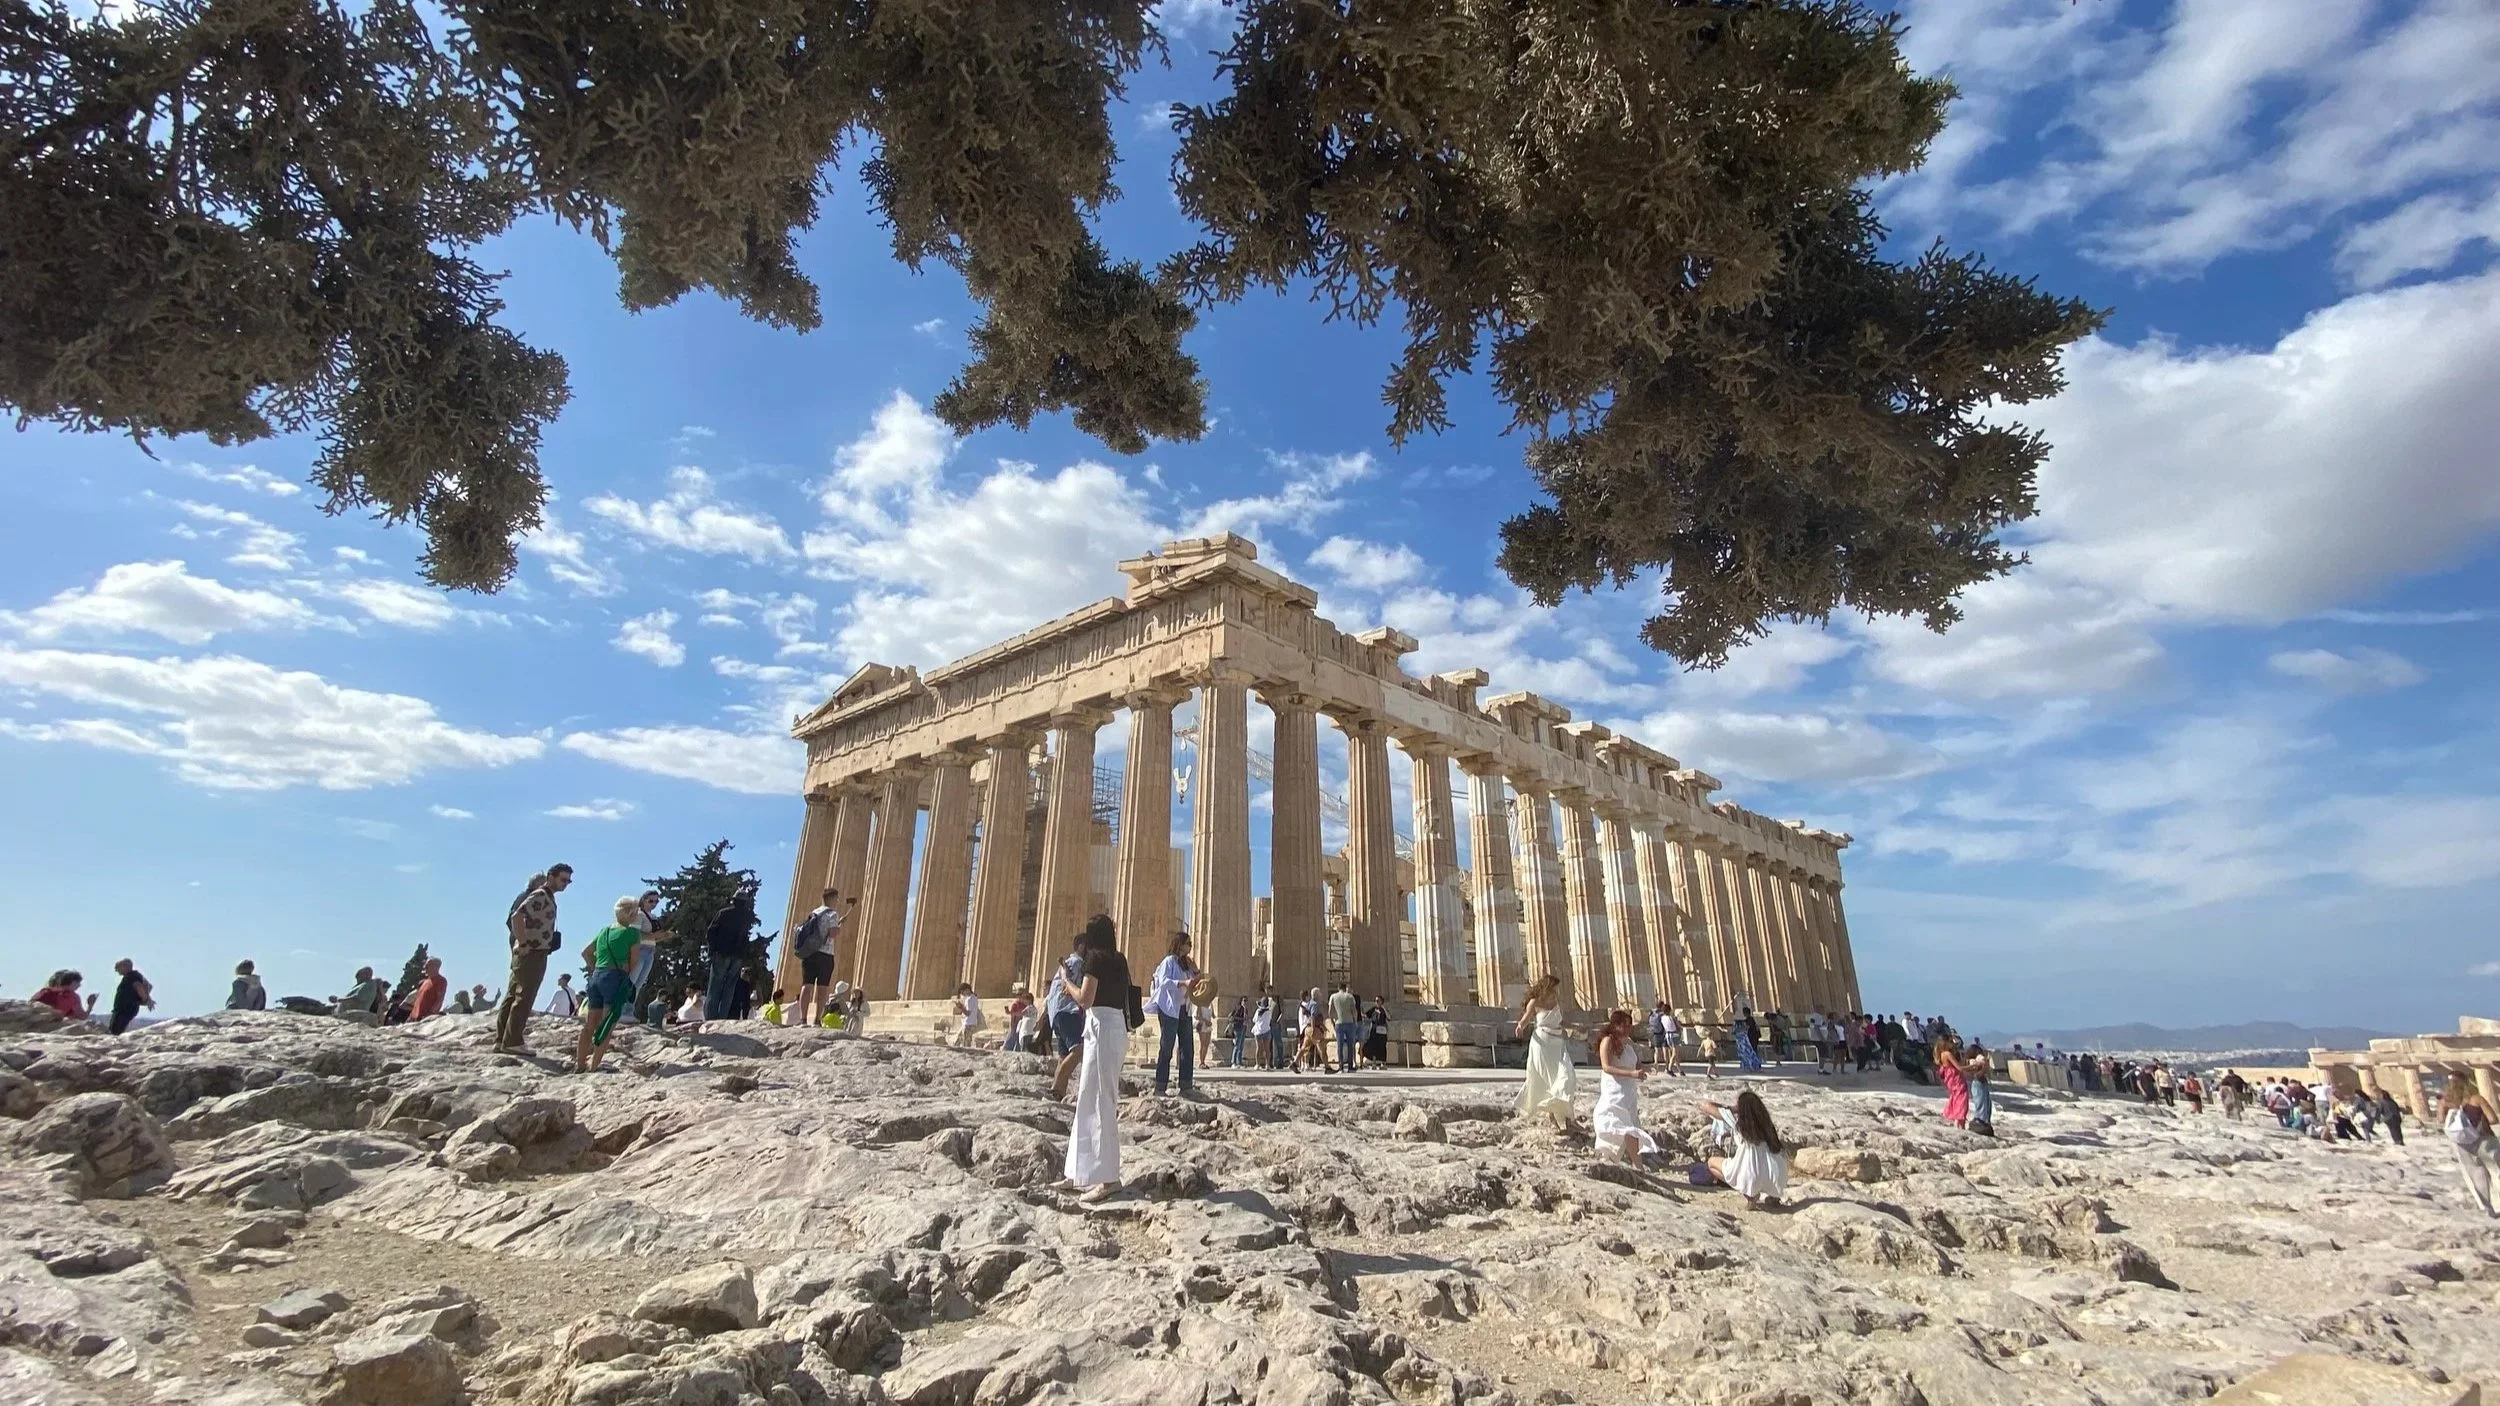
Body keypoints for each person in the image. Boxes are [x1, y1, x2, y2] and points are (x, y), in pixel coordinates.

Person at [1061, 919, 1132, 1203]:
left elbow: (1086, 998)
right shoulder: (1119, 959)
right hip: (1112, 1029)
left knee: (1101, 1103)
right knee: (1088, 1099)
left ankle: (1110, 1179)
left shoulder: (1095, 958)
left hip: (1101, 1029)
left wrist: (1067, 983)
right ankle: (1077, 1172)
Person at [496, 863, 571, 1054]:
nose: (566, 884)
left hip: (533, 951)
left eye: (568, 881)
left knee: (514, 993)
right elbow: (516, 916)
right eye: (563, 879)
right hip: (532, 952)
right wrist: (523, 943)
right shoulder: (540, 895)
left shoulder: (546, 896)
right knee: (525, 996)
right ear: (551, 876)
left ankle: (502, 1039)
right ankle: (513, 1041)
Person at [577, 897, 652, 1072]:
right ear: (633, 914)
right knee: (607, 1023)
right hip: (615, 977)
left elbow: (586, 952)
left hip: (597, 976)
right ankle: (594, 1066)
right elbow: (634, 961)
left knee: (590, 1024)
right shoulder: (632, 933)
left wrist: (596, 966)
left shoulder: (604, 931)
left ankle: (580, 1064)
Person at [1701, 1090, 1790, 1209]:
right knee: (1763, 1168)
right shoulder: (1767, 1124)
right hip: (1778, 1174)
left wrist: (1731, 1108)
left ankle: (1750, 1196)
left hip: (1751, 1173)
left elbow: (1705, 1106)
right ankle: (1774, 1196)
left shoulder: (1738, 1123)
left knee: (1712, 1163)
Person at [1591, 1010, 1657, 1165]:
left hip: (1628, 1092)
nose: (1629, 1029)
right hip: (1614, 1090)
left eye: (1630, 1025)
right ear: (1615, 1025)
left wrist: (1648, 1068)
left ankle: (1637, 1165)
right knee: (1620, 1125)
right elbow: (1606, 1067)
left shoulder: (1628, 1045)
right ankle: (1622, 1162)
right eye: (1625, 1025)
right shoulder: (1607, 1041)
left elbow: (1636, 1065)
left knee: (1631, 1127)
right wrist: (1632, 1074)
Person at [788, 887, 855, 1029]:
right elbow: (832, 933)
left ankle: (803, 1019)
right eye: (836, 899)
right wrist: (839, 926)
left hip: (810, 953)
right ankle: (817, 1020)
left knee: (806, 985)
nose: (837, 901)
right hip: (825, 954)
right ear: (832, 898)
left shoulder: (814, 913)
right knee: (822, 988)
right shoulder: (832, 914)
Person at [1046, 924, 1101, 1099]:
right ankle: (1055, 1089)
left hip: (1056, 1013)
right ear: (1082, 946)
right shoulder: (1077, 963)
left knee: (1064, 1056)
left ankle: (1057, 1093)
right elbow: (1078, 990)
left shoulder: (1067, 965)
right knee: (1079, 1050)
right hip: (1068, 1012)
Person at [1516, 973, 1574, 1129]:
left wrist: (1574, 1027)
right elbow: (1526, 1017)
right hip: (1542, 1043)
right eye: (1554, 988)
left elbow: (1560, 1021)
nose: (1556, 991)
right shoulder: (1535, 1002)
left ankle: (1567, 1119)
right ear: (1547, 987)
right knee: (1549, 1079)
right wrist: (1521, 1026)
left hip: (1557, 1043)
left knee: (1567, 1076)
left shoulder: (1555, 1002)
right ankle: (1557, 1118)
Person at [1148, 933, 1198, 1095]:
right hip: (1169, 1010)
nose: (1190, 946)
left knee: (1187, 1048)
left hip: (1185, 1009)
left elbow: (1196, 983)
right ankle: (1160, 1086)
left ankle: (1186, 1085)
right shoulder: (1169, 961)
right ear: (1180, 944)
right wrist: (1182, 983)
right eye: (1188, 943)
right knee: (1167, 1047)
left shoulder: (1186, 965)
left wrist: (1195, 970)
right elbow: (1163, 982)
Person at [2446, 1083, 2500, 1217]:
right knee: (2496, 1171)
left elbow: (2441, 1119)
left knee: (2477, 1176)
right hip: (2484, 1140)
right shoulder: (2476, 1099)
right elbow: (2493, 1119)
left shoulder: (2448, 1102)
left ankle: (2487, 1210)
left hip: (2463, 1144)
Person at [703, 896, 754, 1021]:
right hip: (737, 955)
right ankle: (723, 1016)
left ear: (734, 901)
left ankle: (710, 1017)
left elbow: (711, 931)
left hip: (721, 952)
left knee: (715, 984)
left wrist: (712, 948)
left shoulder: (724, 913)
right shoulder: (748, 916)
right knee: (730, 987)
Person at [106, 958, 153, 1035]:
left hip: (125, 1009)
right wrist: (147, 999)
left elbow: (140, 987)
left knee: (115, 1031)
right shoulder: (134, 976)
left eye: (118, 968)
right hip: (123, 1009)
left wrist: (146, 1000)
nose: (117, 971)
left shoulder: (132, 977)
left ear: (125, 966)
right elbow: (148, 985)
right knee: (114, 1029)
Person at [1935, 1033, 1970, 1129]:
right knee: (1962, 1098)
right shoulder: (1947, 1054)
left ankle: (1957, 1120)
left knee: (1955, 1097)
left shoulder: (1941, 1054)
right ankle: (1959, 1120)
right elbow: (1959, 1068)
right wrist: (1973, 1066)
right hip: (1955, 1077)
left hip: (1950, 1077)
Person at [1963, 1042, 1996, 1134]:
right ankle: (1980, 1121)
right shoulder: (1974, 1062)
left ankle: (1985, 1121)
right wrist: (1984, 1068)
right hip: (1978, 1084)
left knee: (1987, 1103)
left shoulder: (1975, 1061)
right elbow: (1977, 1075)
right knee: (1981, 1103)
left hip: (1981, 1083)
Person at [1330, 981, 1361, 1074]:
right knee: (1350, 1044)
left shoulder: (1333, 996)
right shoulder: (1350, 997)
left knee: (1339, 1045)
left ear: (1338, 988)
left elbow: (1330, 1010)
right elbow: (1354, 1010)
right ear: (1345, 988)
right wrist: (1355, 1021)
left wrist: (1333, 1021)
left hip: (1338, 1022)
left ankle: (1341, 1066)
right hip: (1349, 1022)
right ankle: (1350, 1067)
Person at [408, 956, 448, 1022]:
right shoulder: (424, 982)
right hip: (414, 1019)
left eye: (428, 965)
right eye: (425, 965)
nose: (425, 967)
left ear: (437, 967)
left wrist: (430, 1015)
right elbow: (418, 1000)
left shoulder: (441, 981)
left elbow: (439, 999)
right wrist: (410, 1016)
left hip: (425, 1019)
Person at [1001, 984, 1032, 1052]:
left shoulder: (1025, 1004)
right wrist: (1012, 1028)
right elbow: (1013, 1017)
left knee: (1018, 1044)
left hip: (1022, 1027)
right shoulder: (1015, 1004)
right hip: (1015, 1026)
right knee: (1009, 1043)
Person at [953, 982, 983, 1048]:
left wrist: (960, 1007)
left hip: (968, 1024)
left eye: (963, 992)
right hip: (971, 1023)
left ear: (967, 990)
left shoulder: (970, 999)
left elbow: (968, 1013)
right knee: (960, 1039)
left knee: (966, 1043)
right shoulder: (974, 998)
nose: (963, 994)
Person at [1363, 996, 1390, 1068]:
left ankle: (1383, 1063)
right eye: (1375, 1001)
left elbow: (1389, 1017)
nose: (1376, 1002)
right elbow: (1366, 1015)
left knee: (1382, 1046)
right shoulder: (1373, 1009)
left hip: (1382, 1030)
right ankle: (1374, 1063)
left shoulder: (1384, 1009)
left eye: (1378, 1001)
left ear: (1381, 1001)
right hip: (1374, 1030)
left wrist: (1383, 1009)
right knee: (1373, 1046)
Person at [1250, 994, 1275, 1070]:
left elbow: (1254, 1020)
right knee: (1267, 1049)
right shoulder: (1269, 1012)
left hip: (1258, 1031)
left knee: (1259, 1048)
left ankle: (1257, 1064)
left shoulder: (1258, 1012)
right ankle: (1267, 1064)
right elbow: (1270, 1019)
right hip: (1266, 1030)